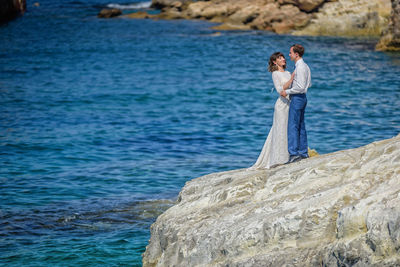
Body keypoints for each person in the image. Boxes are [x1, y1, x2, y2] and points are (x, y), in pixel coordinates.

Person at [249, 52, 294, 169]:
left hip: (291, 104)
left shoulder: (288, 73)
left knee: (288, 130)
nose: (283, 59)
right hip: (281, 106)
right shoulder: (275, 74)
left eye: (283, 57)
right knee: (279, 129)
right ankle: (277, 158)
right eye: (280, 58)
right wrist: (292, 79)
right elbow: (280, 90)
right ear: (275, 62)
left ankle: (288, 156)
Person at [280, 44, 311, 163]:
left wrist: (286, 91)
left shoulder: (300, 67)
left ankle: (293, 154)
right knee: (301, 126)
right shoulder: (305, 66)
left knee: (293, 126)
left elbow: (300, 87)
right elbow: (308, 84)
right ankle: (303, 153)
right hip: (302, 98)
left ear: (296, 54)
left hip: (297, 98)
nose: (289, 55)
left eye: (290, 53)